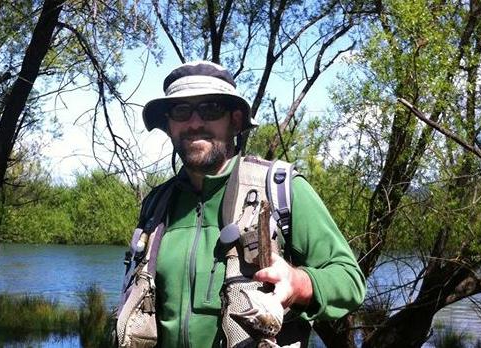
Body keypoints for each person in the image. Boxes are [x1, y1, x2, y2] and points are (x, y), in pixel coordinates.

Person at [139, 60, 366, 347]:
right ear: (169, 125)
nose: (195, 122)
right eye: (181, 111)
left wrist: (299, 284)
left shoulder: (282, 189)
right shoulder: (156, 207)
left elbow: (350, 281)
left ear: (234, 121)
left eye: (210, 109)